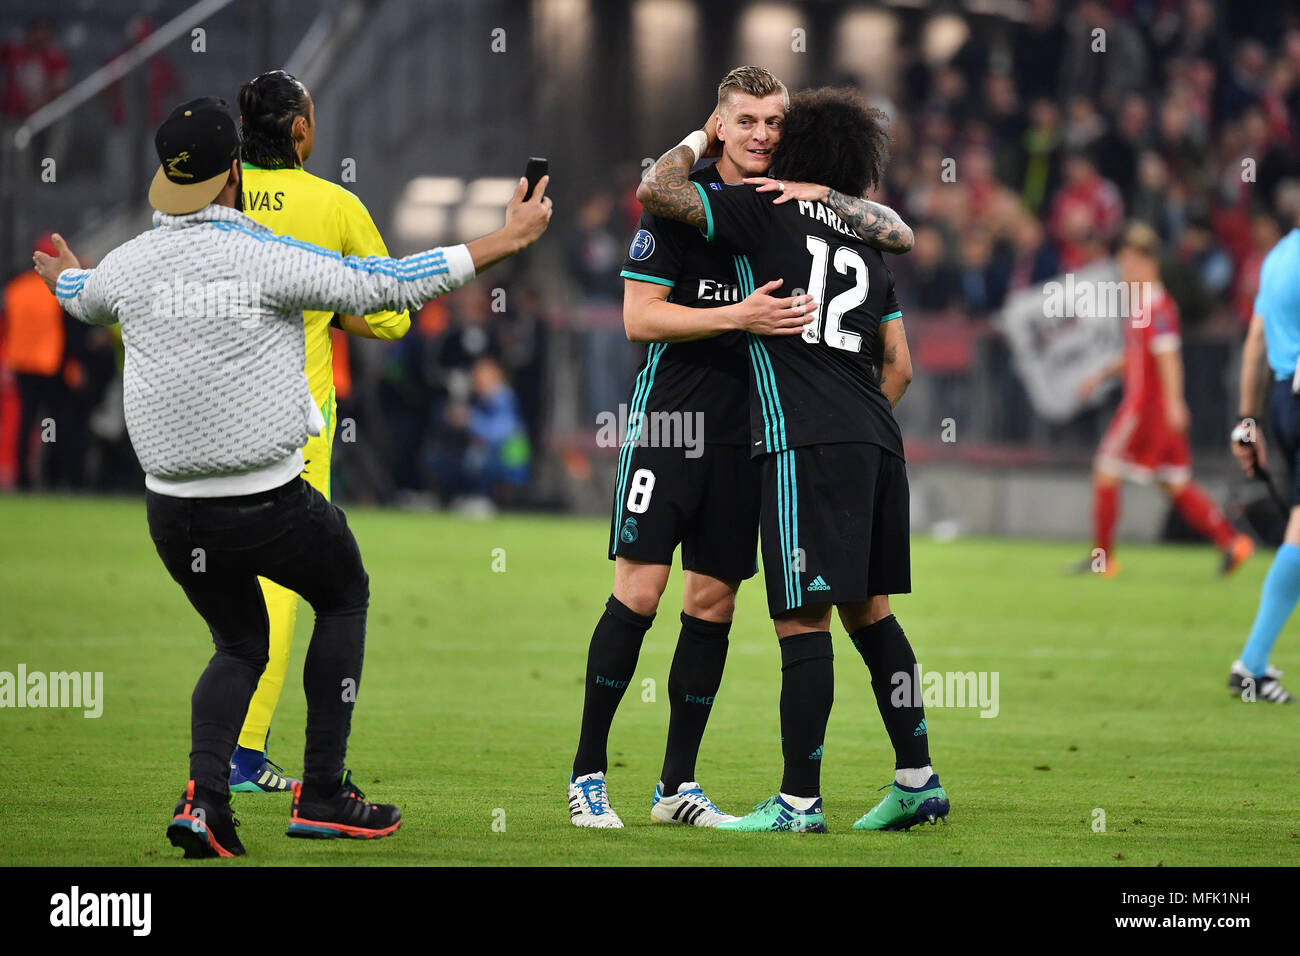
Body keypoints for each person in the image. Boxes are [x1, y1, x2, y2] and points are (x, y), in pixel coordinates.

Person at [34, 96, 551, 857]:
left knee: (238, 642)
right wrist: (504, 239)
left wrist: (65, 276)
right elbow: (385, 287)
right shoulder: (264, 255)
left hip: (171, 514)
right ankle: (323, 793)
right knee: (344, 594)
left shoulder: (129, 266)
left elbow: (82, 300)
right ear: (233, 172)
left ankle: (206, 802)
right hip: (265, 500)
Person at [568, 68, 914, 829]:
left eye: (775, 123)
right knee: (640, 593)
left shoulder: (789, 210)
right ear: (720, 124)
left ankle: (674, 787)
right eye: (747, 120)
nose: (762, 134)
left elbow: (895, 236)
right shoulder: (686, 205)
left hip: (752, 436)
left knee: (712, 603)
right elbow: (639, 319)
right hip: (670, 423)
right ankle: (588, 774)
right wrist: (742, 318)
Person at [226, 69, 413, 795]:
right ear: (300, 130)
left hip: (206, 419)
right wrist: (331, 310)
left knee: (225, 578)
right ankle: (246, 753)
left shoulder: (214, 193)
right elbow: (394, 311)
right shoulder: (334, 205)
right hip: (290, 428)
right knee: (287, 587)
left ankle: (231, 752)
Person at [1074, 223, 1253, 577]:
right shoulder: (1145, 305)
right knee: (1174, 482)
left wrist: (1173, 403)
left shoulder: (1156, 306)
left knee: (1105, 472)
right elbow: (1138, 355)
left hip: (1144, 410)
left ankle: (1103, 559)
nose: (1124, 274)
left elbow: (1168, 357)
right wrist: (1102, 375)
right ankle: (1232, 543)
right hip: (1153, 409)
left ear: (1147, 265)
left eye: (1128, 266)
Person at [1228, 206, 1300, 703]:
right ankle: (1251, 664)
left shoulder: (1279, 256)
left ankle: (1253, 663)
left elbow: (1256, 340)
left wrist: (1247, 421)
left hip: (1281, 396)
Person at [2, 234, 67, 489]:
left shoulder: (15, 288)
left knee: (25, 421)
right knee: (48, 421)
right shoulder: (55, 288)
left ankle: (22, 477)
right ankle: (48, 473)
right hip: (48, 365)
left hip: (21, 365)